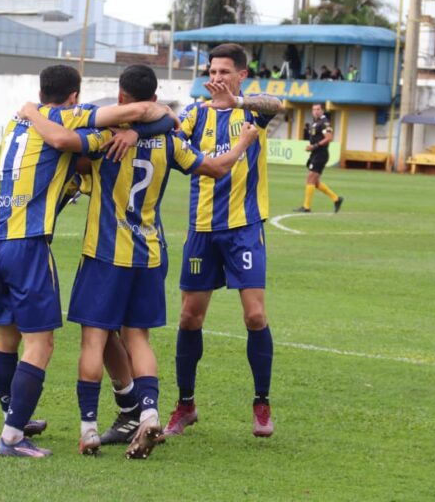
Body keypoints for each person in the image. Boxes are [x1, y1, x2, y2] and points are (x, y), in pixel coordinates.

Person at [21, 64, 259, 459]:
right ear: (154, 97)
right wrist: (244, 142)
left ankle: (89, 428)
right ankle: (148, 415)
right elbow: (215, 168)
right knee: (137, 338)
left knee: (94, 339)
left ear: (120, 99)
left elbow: (66, 147)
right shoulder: (169, 140)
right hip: (150, 252)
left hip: (105, 253)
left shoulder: (106, 139)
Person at [0, 64, 174, 458]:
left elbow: (64, 150)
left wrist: (31, 112)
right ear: (74, 96)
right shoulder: (67, 116)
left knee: (7, 338)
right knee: (42, 344)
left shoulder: (15, 124)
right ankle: (12, 437)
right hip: (27, 244)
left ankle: (14, 413)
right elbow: (150, 114)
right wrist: (138, 123)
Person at [163, 43, 284, 441]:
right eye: (212, 72)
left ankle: (261, 403)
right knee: (189, 317)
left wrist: (238, 99)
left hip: (244, 227)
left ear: (241, 75)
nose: (216, 79)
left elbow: (278, 103)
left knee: (254, 316)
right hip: (201, 230)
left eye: (224, 72)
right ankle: (186, 404)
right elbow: (170, 133)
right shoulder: (196, 112)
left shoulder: (252, 110)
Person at [294, 103, 344, 213]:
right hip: (315, 154)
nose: (316, 111)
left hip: (321, 154)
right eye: (314, 109)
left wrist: (314, 146)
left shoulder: (324, 122)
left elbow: (329, 137)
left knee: (310, 178)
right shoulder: (315, 122)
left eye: (318, 109)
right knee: (315, 182)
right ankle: (336, 199)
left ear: (322, 110)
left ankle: (306, 207)